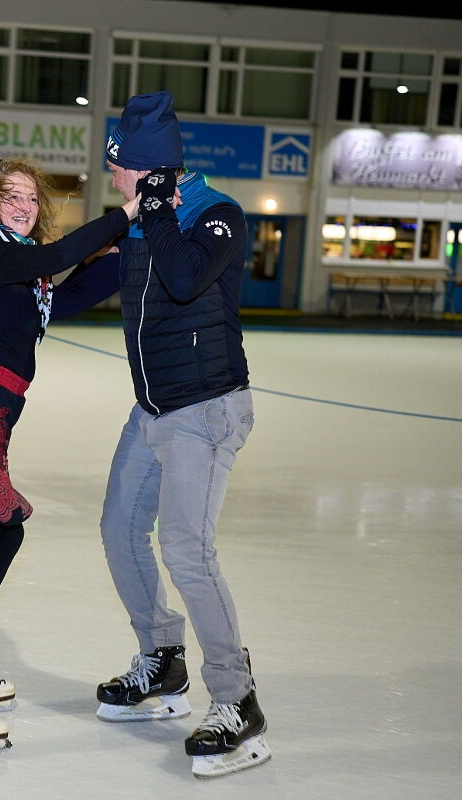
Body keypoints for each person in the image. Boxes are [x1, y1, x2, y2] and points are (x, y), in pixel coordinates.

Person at [0, 157, 139, 751]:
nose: (23, 206)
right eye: (10, 196)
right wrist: (126, 213)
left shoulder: (21, 278)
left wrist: (124, 254)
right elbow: (54, 259)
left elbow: (64, 295)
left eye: (32, 199)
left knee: (3, 533)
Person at [89, 91, 268, 779]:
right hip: (153, 409)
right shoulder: (143, 220)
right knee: (119, 529)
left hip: (207, 407)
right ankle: (163, 659)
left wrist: (161, 209)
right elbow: (96, 279)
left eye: (118, 165)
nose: (111, 175)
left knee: (188, 552)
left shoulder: (217, 213)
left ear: (147, 169)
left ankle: (236, 698)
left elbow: (188, 279)